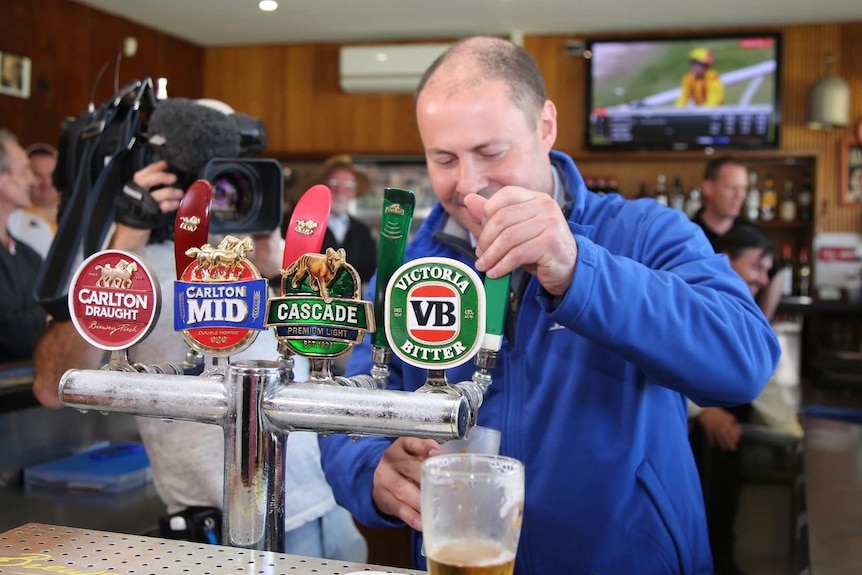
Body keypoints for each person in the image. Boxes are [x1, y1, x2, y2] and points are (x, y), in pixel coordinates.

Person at [318, 36, 780, 574]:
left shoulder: (645, 233)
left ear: (545, 126)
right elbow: (349, 412)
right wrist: (373, 469)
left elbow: (744, 360)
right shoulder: (407, 267)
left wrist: (580, 270)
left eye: (490, 152)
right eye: (443, 158)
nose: (468, 184)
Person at [32, 103, 367, 561]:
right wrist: (128, 234)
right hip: (217, 530)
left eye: (232, 176)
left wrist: (285, 273)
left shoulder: (271, 256)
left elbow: (345, 353)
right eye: (206, 177)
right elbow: (53, 386)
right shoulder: (121, 259)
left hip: (330, 509)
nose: (220, 195)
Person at [688, 221, 776, 575]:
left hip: (726, 428)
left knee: (723, 510)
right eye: (756, 267)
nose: (763, 279)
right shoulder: (694, 295)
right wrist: (702, 411)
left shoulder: (742, 306)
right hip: (692, 435)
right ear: (726, 260)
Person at [692, 157, 785, 323]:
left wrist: (761, 324)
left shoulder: (755, 234)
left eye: (743, 189)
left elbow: (776, 273)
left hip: (742, 326)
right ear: (708, 188)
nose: (739, 196)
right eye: (731, 188)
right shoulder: (688, 232)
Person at [0, 129, 44, 363]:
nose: (32, 180)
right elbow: (10, 334)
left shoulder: (29, 257)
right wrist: (47, 316)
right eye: (25, 170)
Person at [318, 154, 377, 285]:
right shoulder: (309, 226)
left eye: (347, 185)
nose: (339, 190)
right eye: (334, 183)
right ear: (324, 187)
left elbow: (370, 275)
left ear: (354, 192)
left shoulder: (363, 231)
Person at [8, 143, 60, 258]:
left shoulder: (78, 213)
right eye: (37, 175)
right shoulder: (11, 218)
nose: (46, 183)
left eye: (52, 175)